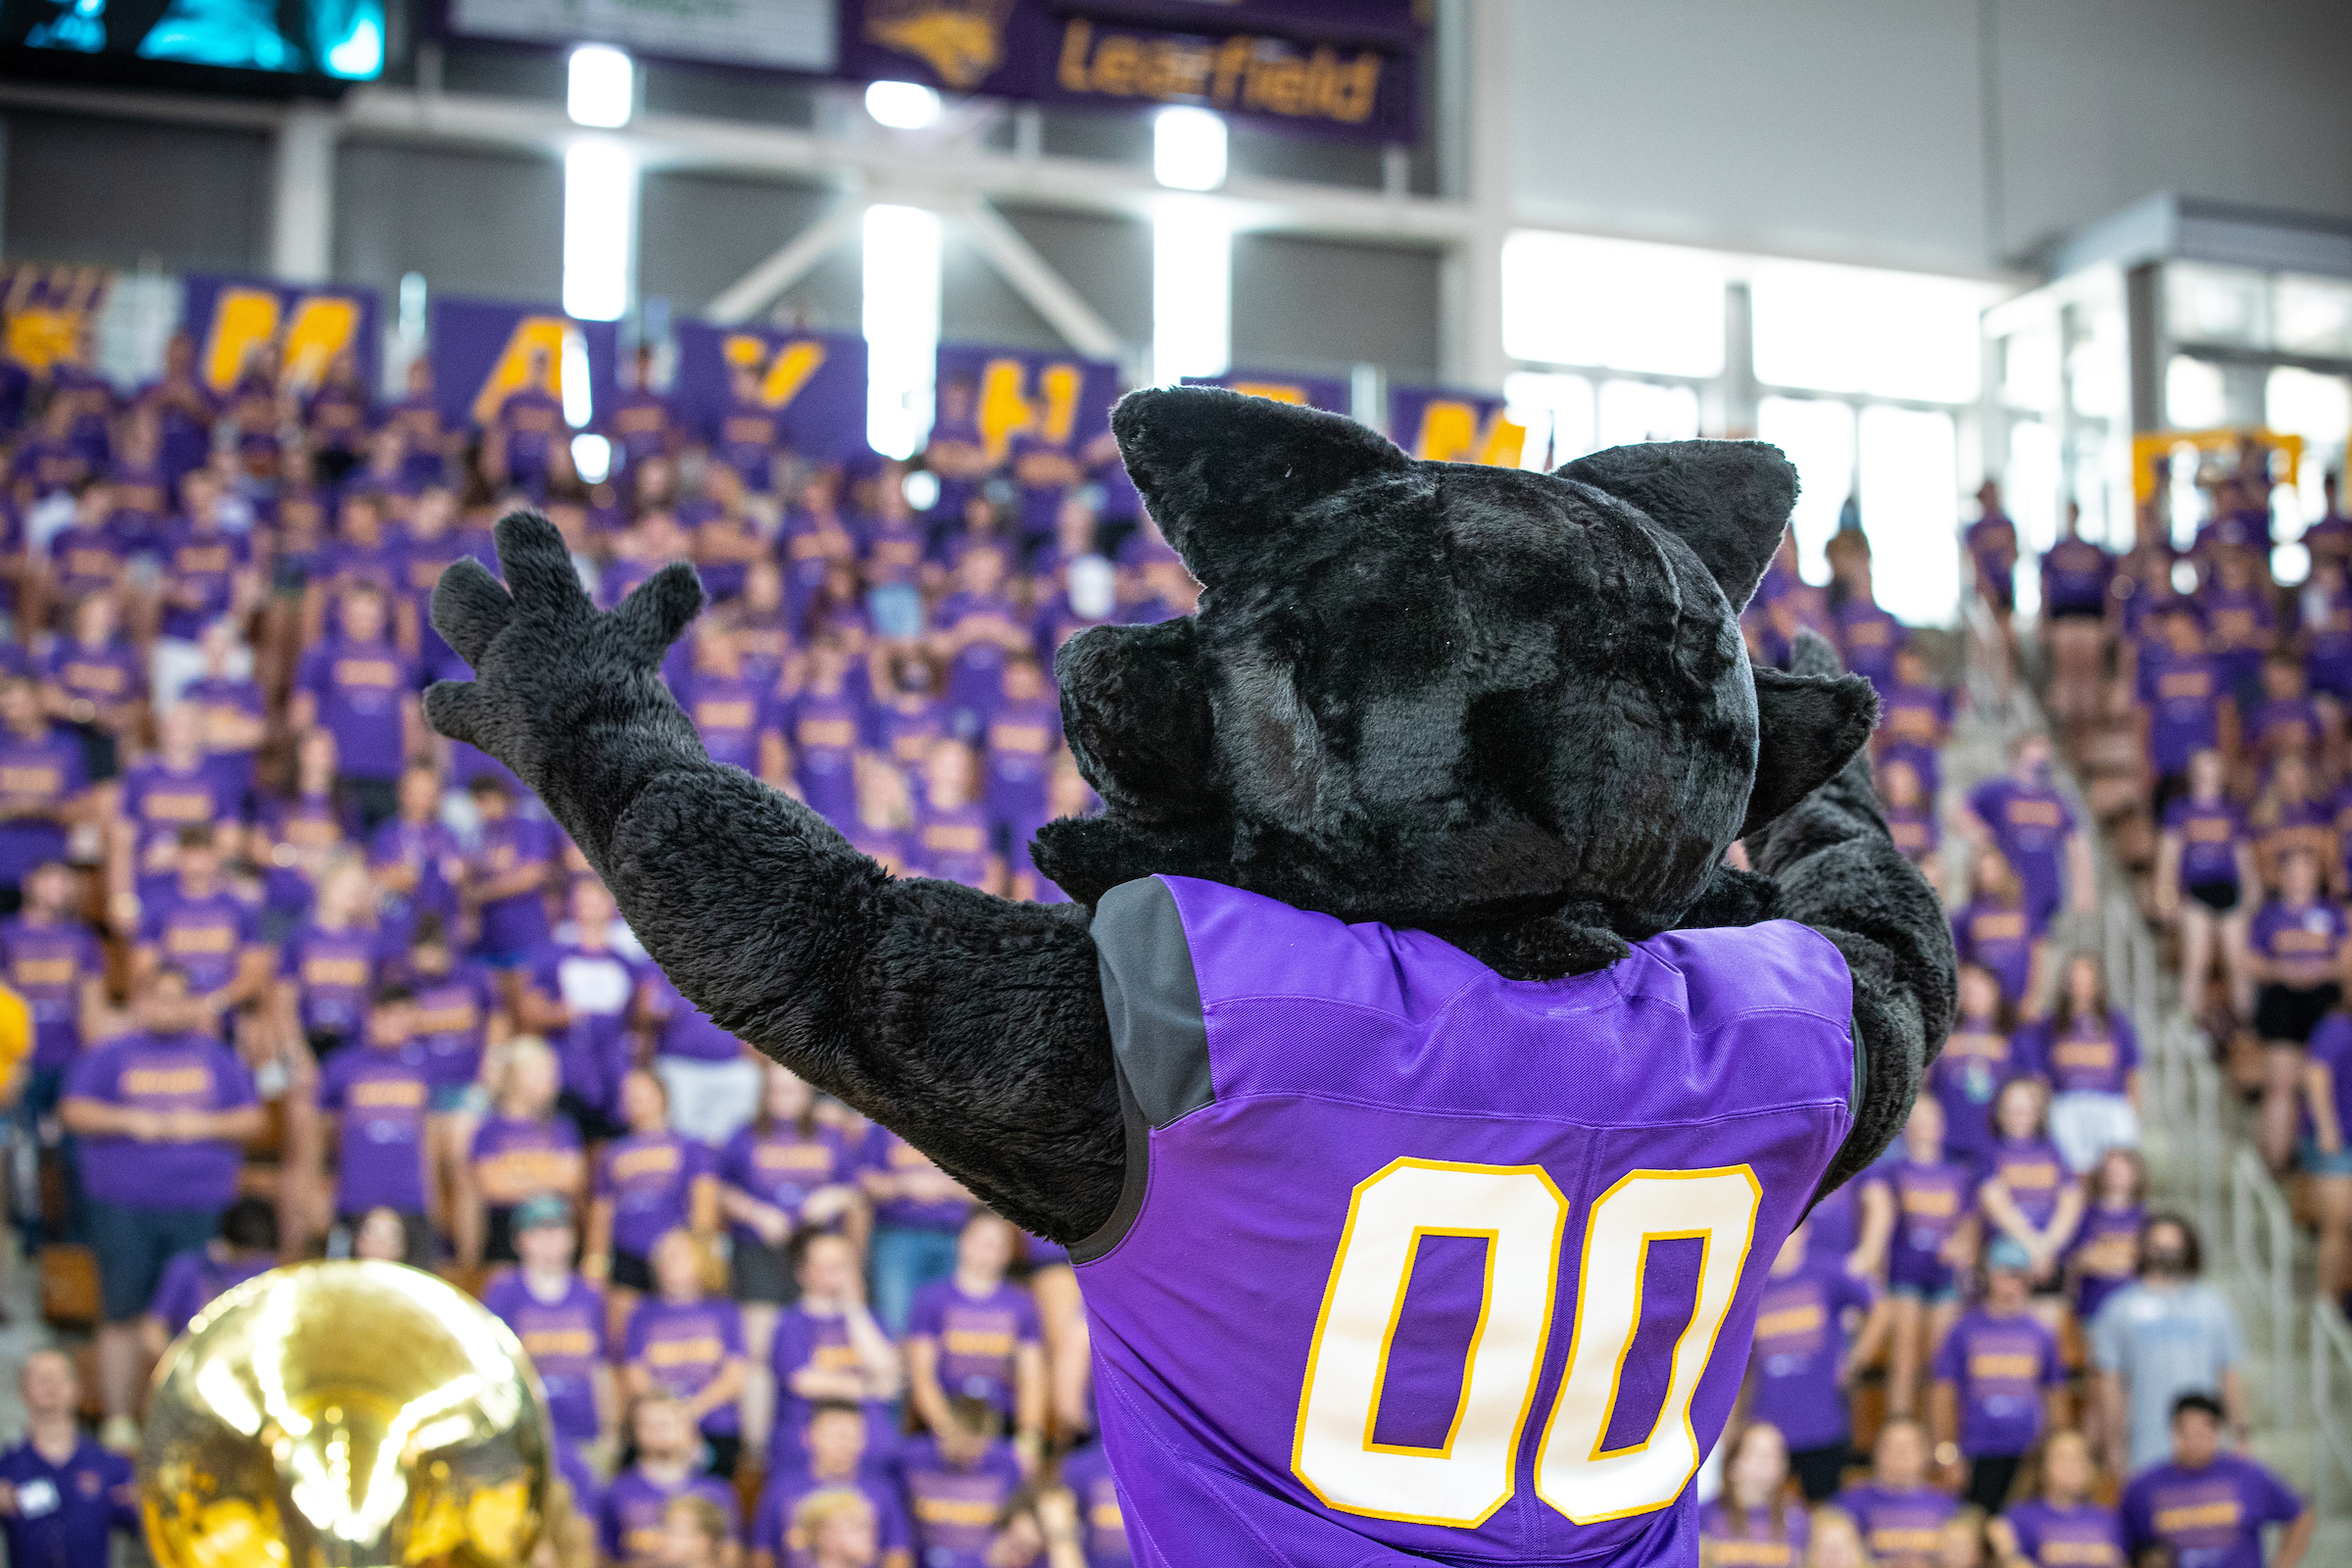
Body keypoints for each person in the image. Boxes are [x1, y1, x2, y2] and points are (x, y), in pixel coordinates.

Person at [61, 964, 264, 1446]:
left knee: (199, 1319)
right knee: (122, 1311)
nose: (167, 1008)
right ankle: (118, 1422)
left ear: (191, 1004)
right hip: (123, 1204)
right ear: (139, 1003)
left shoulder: (217, 1058)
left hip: (201, 1204)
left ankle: (194, 1423)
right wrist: (133, 1119)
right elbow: (74, 1110)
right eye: (157, 998)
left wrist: (200, 1126)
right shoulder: (110, 1056)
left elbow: (252, 1119)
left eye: (177, 998)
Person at [719, 1062, 860, 1449]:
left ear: (808, 1094)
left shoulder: (831, 1137)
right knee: (760, 1354)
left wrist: (832, 1197)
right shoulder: (743, 1136)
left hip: (816, 1256)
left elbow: (854, 1188)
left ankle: (821, 1441)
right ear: (765, 1093)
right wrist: (754, 1212)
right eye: (777, 1090)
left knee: (815, 1350)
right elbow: (719, 1190)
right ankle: (757, 1449)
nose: (785, 1099)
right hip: (759, 1252)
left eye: (793, 1090)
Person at [2090, 1213, 2248, 1476]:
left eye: (2175, 1248)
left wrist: (2240, 1432)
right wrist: (2113, 1444)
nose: (2167, 1254)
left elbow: (2229, 1374)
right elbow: (2110, 1384)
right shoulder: (2118, 1308)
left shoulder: (2214, 1304)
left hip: (2207, 1445)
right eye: (2159, 1247)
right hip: (2146, 1447)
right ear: (2143, 1249)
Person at [1742, 1218, 1879, 1502]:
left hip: (1822, 1423)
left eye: (1791, 1228)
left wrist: (1854, 1359)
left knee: (1825, 1513)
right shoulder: (1751, 1282)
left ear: (1805, 1231)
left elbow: (1881, 1308)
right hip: (1768, 1423)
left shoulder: (1826, 1272)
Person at [1930, 1235, 2069, 1513]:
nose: (2012, 1283)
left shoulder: (2040, 1333)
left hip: (2027, 1453)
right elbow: (1942, 1394)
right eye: (2004, 1274)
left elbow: (2055, 1396)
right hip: (1977, 1450)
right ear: (1988, 1276)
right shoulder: (1964, 1329)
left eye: (2019, 1276)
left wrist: (2053, 1453)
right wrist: (1947, 1454)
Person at [906, 1211, 1046, 1472]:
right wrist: (947, 1431)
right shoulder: (930, 1299)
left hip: (1000, 1426)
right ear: (963, 1242)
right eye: (983, 1241)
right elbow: (922, 1376)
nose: (989, 1251)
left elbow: (1032, 1378)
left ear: (1008, 1252)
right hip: (943, 1425)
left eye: (998, 1244)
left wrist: (1029, 1439)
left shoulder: (1022, 1304)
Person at [482, 1194, 614, 1457]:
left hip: (584, 1434)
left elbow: (601, 1367)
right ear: (518, 1240)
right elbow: (490, 1364)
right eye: (537, 1229)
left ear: (573, 1237)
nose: (548, 1237)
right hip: (524, 1436)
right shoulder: (504, 1292)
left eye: (557, 1227)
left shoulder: (590, 1296)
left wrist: (611, 1429)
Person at [590, 1067, 719, 1336]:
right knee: (624, 1339)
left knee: (677, 1333)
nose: (633, 1100)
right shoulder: (612, 1154)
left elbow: (704, 1201)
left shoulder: (690, 1146)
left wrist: (701, 1255)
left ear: (662, 1096)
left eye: (641, 1092)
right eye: (627, 1095)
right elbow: (602, 1211)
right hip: (629, 1257)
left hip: (677, 1258)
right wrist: (596, 1261)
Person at [2119, 1394, 2312, 1568]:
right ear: (2173, 1433)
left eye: (2202, 1434)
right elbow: (2121, 1547)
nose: (2194, 1441)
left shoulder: (2247, 1475)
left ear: (2216, 1433)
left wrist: (2283, 1563)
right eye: (2186, 1434)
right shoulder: (2143, 1487)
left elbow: (2301, 1515)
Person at [291, 583, 422, 832]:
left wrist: (411, 767)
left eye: (370, 614)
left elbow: (411, 718)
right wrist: (305, 769)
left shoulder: (400, 659)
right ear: (341, 614)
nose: (363, 621)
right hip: (338, 776)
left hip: (389, 775)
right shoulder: (320, 655)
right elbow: (302, 713)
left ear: (383, 617)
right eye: (357, 613)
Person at [316, 984, 434, 1259]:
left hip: (410, 1198)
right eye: (393, 1015)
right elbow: (321, 1135)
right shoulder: (342, 1066)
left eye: (408, 1016)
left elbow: (429, 1138)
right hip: (355, 1197)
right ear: (373, 1016)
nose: (402, 1024)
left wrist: (432, 1201)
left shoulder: (423, 1067)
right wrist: (320, 1189)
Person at [623, 1228, 750, 1477]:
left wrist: (688, 1413)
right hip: (656, 1430)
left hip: (716, 1428)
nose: (668, 1263)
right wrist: (665, 1417)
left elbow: (735, 1378)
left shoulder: (724, 1311)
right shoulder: (642, 1313)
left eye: (679, 1256)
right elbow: (636, 1376)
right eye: (664, 1256)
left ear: (701, 1261)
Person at [768, 1230, 902, 1463]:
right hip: (806, 1451)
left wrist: (855, 1310)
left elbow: (889, 1372)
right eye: (826, 1265)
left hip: (870, 1450)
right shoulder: (791, 1321)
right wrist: (869, 1389)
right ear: (802, 1272)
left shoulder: (869, 1318)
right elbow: (803, 1381)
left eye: (842, 1264)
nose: (837, 1272)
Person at [1886, 1096, 1979, 1421]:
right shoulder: (1892, 1172)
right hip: (1904, 1273)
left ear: (1943, 1127)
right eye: (1918, 1119)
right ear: (1905, 1126)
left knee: (1940, 1361)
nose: (1925, 1127)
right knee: (1905, 1356)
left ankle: (1934, 1439)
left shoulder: (1957, 1175)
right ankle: (1898, 1428)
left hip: (1945, 1275)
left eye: (1931, 1119)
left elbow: (1968, 1225)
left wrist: (1960, 1246)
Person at [0, 1350, 137, 1568]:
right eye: (41, 1378)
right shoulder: (7, 1468)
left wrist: (145, 1502)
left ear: (76, 1389)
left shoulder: (109, 1465)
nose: (50, 1385)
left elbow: (147, 1529)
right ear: (22, 1393)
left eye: (58, 1377)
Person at [462, 1036, 586, 1268]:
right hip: (504, 1242)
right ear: (515, 1076)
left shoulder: (562, 1127)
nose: (552, 1081)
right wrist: (547, 1174)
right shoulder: (489, 1131)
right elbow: (493, 1187)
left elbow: (571, 1180)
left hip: (556, 1239)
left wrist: (515, 1174)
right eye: (541, 1072)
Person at [2155, 748, 2255, 1028]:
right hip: (2195, 891)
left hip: (2229, 889)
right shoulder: (2180, 809)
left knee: (2238, 963)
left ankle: (2244, 1025)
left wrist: (2250, 888)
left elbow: (2242, 854)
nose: (2208, 773)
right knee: (2197, 960)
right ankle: (2189, 1024)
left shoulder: (2233, 810)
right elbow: (2168, 856)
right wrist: (2165, 895)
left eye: (2213, 765)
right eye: (2202, 766)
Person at [1977, 1078, 2084, 1333]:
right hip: (2009, 1253)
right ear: (1999, 1112)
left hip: (2048, 1253)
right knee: (2010, 1332)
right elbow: (1995, 1204)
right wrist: (2033, 1248)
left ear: (2037, 1112)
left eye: (2025, 1108)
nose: (2019, 1115)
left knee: (2045, 1332)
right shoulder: (1990, 1152)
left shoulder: (2053, 1151)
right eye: (2012, 1107)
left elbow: (2070, 1200)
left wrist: (2048, 1245)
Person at [749, 1400, 913, 1568]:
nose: (843, 1442)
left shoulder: (884, 1492)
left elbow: (898, 1556)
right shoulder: (781, 1489)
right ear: (809, 1435)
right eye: (835, 1434)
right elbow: (763, 1555)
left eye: (851, 1435)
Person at [1964, 734, 2093, 936]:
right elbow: (1959, 810)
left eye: (2044, 757)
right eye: (2033, 756)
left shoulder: (2057, 797)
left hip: (2046, 889)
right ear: (2017, 758)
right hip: (2009, 888)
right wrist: (1980, 834)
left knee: (2041, 948)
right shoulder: (2000, 791)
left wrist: (2083, 891)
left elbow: (2077, 843)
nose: (2039, 763)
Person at [859, 1123, 973, 1338]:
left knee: (948, 1324)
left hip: (952, 1237)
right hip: (897, 1236)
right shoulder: (882, 1123)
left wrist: (945, 1186)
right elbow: (865, 1180)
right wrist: (906, 1185)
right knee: (895, 1323)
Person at [600, 1396, 741, 1568]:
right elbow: (602, 1559)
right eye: (650, 1424)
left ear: (690, 1429)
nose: (660, 1431)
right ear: (632, 1433)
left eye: (668, 1423)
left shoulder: (719, 1490)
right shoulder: (615, 1491)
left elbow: (731, 1558)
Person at [2036, 951, 2141, 1174]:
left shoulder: (2118, 1024)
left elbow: (2132, 1073)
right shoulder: (2050, 1026)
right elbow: (2043, 1078)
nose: (2080, 986)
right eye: (2074, 979)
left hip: (2110, 1107)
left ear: (2098, 983)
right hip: (2067, 1109)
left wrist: (2132, 1116)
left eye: (2086, 979)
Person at [896, 1395, 1023, 1568]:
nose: (972, 1456)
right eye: (966, 1444)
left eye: (980, 1447)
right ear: (948, 1427)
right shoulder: (911, 1458)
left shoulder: (1006, 1463)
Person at [144, 1194, 277, 1348]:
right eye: (248, 1253)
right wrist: (181, 1363)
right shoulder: (187, 1268)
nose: (253, 1260)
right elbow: (152, 1329)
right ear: (230, 1243)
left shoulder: (266, 1269)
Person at [1985, 1429, 2125, 1568]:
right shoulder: (2020, 1517)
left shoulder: (2108, 1519)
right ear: (2042, 1467)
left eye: (2081, 1457)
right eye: (2063, 1457)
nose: (2074, 1465)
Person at [1835, 1417, 1960, 1568]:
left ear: (1926, 1452)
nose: (1899, 1453)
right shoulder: (1851, 1503)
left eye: (1907, 1446)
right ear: (1876, 1451)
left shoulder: (1948, 1505)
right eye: (1891, 1446)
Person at [1698, 1422, 1809, 1565]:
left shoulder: (1797, 1515)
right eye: (1760, 1454)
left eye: (1777, 1454)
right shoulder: (1704, 1515)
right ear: (1732, 1464)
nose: (1770, 1461)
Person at [2304, 1006, 2352, 1312]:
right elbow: (2315, 1071)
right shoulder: (2339, 1026)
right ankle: (2325, 1308)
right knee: (2338, 1223)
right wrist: (2326, 1126)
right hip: (2338, 1141)